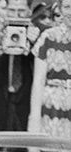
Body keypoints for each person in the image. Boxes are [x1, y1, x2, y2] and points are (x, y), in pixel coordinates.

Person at [0, 0, 38, 131]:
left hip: (27, 104)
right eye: (12, 11)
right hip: (1, 105)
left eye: (21, 11)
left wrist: (33, 44)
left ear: (29, 12)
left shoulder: (38, 36)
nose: (16, 15)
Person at [28, 0, 71, 138]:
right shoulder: (48, 37)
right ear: (60, 9)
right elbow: (38, 82)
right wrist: (34, 120)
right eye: (67, 7)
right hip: (52, 108)